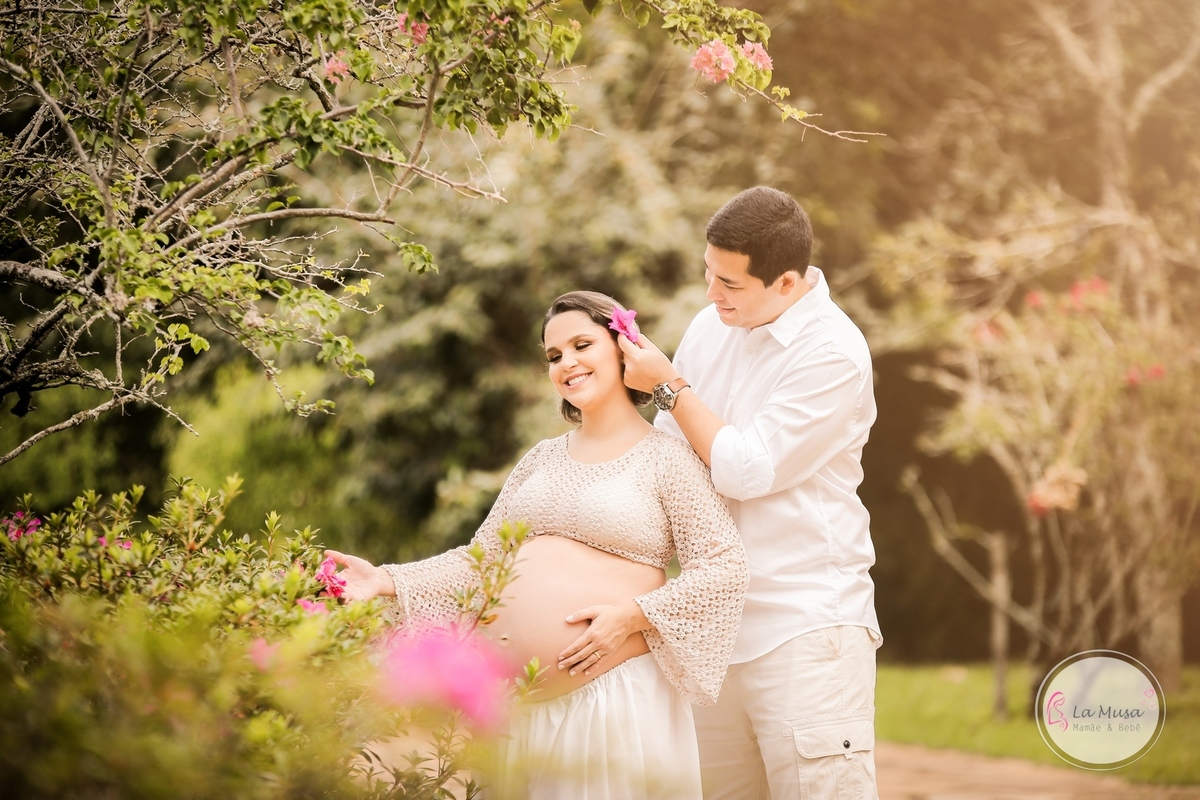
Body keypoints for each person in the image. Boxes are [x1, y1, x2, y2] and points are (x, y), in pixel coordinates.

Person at [327, 290, 749, 800]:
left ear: (624, 348)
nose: (566, 363)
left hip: (616, 700)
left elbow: (723, 566)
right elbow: (481, 562)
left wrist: (635, 615)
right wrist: (389, 579)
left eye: (581, 344)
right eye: (553, 355)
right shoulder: (540, 459)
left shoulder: (669, 459)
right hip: (522, 713)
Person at [618, 186, 881, 799]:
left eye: (730, 284)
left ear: (787, 283)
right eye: (709, 274)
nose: (712, 295)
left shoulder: (835, 354)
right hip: (715, 630)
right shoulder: (713, 325)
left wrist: (670, 386)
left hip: (806, 627)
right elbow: (670, 453)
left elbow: (745, 469)